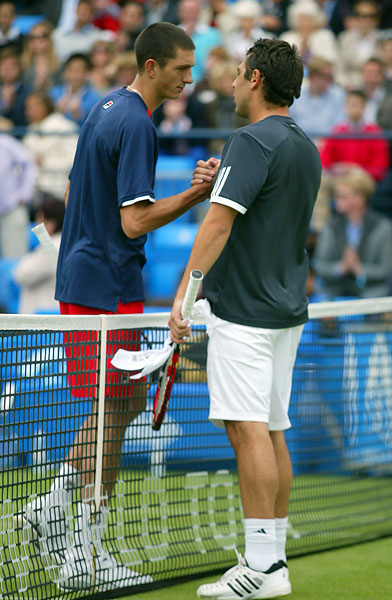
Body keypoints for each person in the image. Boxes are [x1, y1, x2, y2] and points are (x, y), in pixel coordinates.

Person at [20, 21, 215, 593]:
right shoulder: (136, 123)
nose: (189, 78)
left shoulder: (105, 106)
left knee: (121, 403)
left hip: (98, 282)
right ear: (151, 66)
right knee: (112, 412)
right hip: (103, 289)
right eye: (181, 68)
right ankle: (84, 553)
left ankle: (51, 507)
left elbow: (85, 198)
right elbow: (134, 220)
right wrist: (195, 194)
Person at [169, 38, 321, 599]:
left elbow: (217, 225)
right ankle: (273, 564)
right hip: (285, 313)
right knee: (272, 429)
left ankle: (259, 565)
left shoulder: (249, 139)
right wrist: (227, 175)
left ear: (255, 79)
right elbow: (265, 207)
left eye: (238, 73)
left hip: (245, 313)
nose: (231, 82)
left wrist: (184, 293)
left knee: (247, 429)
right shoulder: (304, 146)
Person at [314, 167, 392, 299]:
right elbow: (320, 266)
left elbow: (385, 269)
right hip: (335, 289)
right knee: (322, 297)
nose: (336, 199)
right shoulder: (330, 227)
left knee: (376, 297)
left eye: (342, 196)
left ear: (360, 198)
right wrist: (340, 268)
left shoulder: (383, 227)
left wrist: (359, 269)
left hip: (370, 291)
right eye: (336, 195)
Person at [319, 88, 390, 182]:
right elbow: (325, 161)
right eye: (351, 104)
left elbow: (380, 166)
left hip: (365, 181)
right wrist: (337, 169)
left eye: (357, 104)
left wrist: (358, 170)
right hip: (339, 180)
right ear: (345, 106)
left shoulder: (375, 133)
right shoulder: (336, 133)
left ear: (364, 107)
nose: (354, 108)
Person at [23, 91, 79, 202]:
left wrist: (44, 162)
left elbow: (75, 158)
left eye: (35, 105)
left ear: (46, 106)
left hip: (59, 189)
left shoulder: (64, 127)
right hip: (35, 190)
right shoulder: (30, 130)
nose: (30, 111)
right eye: (28, 107)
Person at [13, 196, 65, 314]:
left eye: (39, 219)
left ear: (51, 223)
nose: (36, 224)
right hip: (54, 313)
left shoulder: (50, 248)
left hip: (43, 317)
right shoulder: (66, 244)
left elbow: (21, 274)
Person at [0, 132, 36, 258]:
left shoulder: (5, 142)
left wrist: (25, 193)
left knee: (16, 260)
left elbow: (29, 162)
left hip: (10, 209)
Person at [49, 52, 101, 126]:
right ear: (65, 72)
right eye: (71, 70)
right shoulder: (53, 93)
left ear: (87, 73)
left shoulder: (95, 99)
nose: (75, 75)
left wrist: (78, 116)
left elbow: (94, 126)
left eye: (79, 70)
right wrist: (56, 111)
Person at [21, 21, 60, 93]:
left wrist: (50, 86)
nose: (36, 42)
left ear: (49, 40)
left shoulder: (59, 64)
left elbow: (62, 88)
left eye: (41, 37)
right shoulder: (22, 63)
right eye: (32, 37)